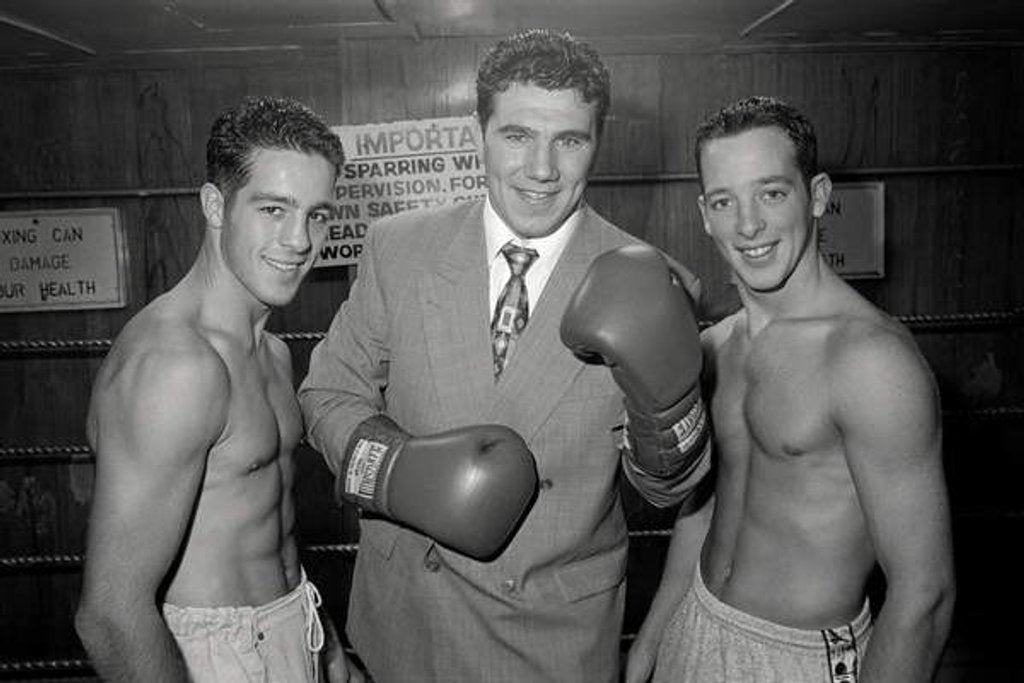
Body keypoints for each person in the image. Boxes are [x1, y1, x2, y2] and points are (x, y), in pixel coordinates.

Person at [298, 29, 711, 683]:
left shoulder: (653, 283)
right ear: (480, 133)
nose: (541, 169)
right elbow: (327, 392)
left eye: (569, 140)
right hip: (401, 629)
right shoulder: (399, 248)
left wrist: (668, 413)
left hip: (549, 645)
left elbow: (671, 489)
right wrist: (400, 474)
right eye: (517, 135)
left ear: (597, 141)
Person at [627, 96, 956, 683]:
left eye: (772, 194)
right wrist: (654, 638)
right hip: (695, 623)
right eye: (724, 201)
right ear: (704, 213)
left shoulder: (869, 361)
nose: (748, 225)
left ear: (818, 195)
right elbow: (703, 507)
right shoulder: (714, 346)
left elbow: (924, 593)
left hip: (797, 656)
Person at [75, 96, 364, 682]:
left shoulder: (271, 352)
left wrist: (329, 654)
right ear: (215, 205)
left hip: (292, 628)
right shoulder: (178, 366)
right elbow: (109, 615)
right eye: (273, 209)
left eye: (317, 215)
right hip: (208, 658)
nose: (299, 240)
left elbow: (275, 529)